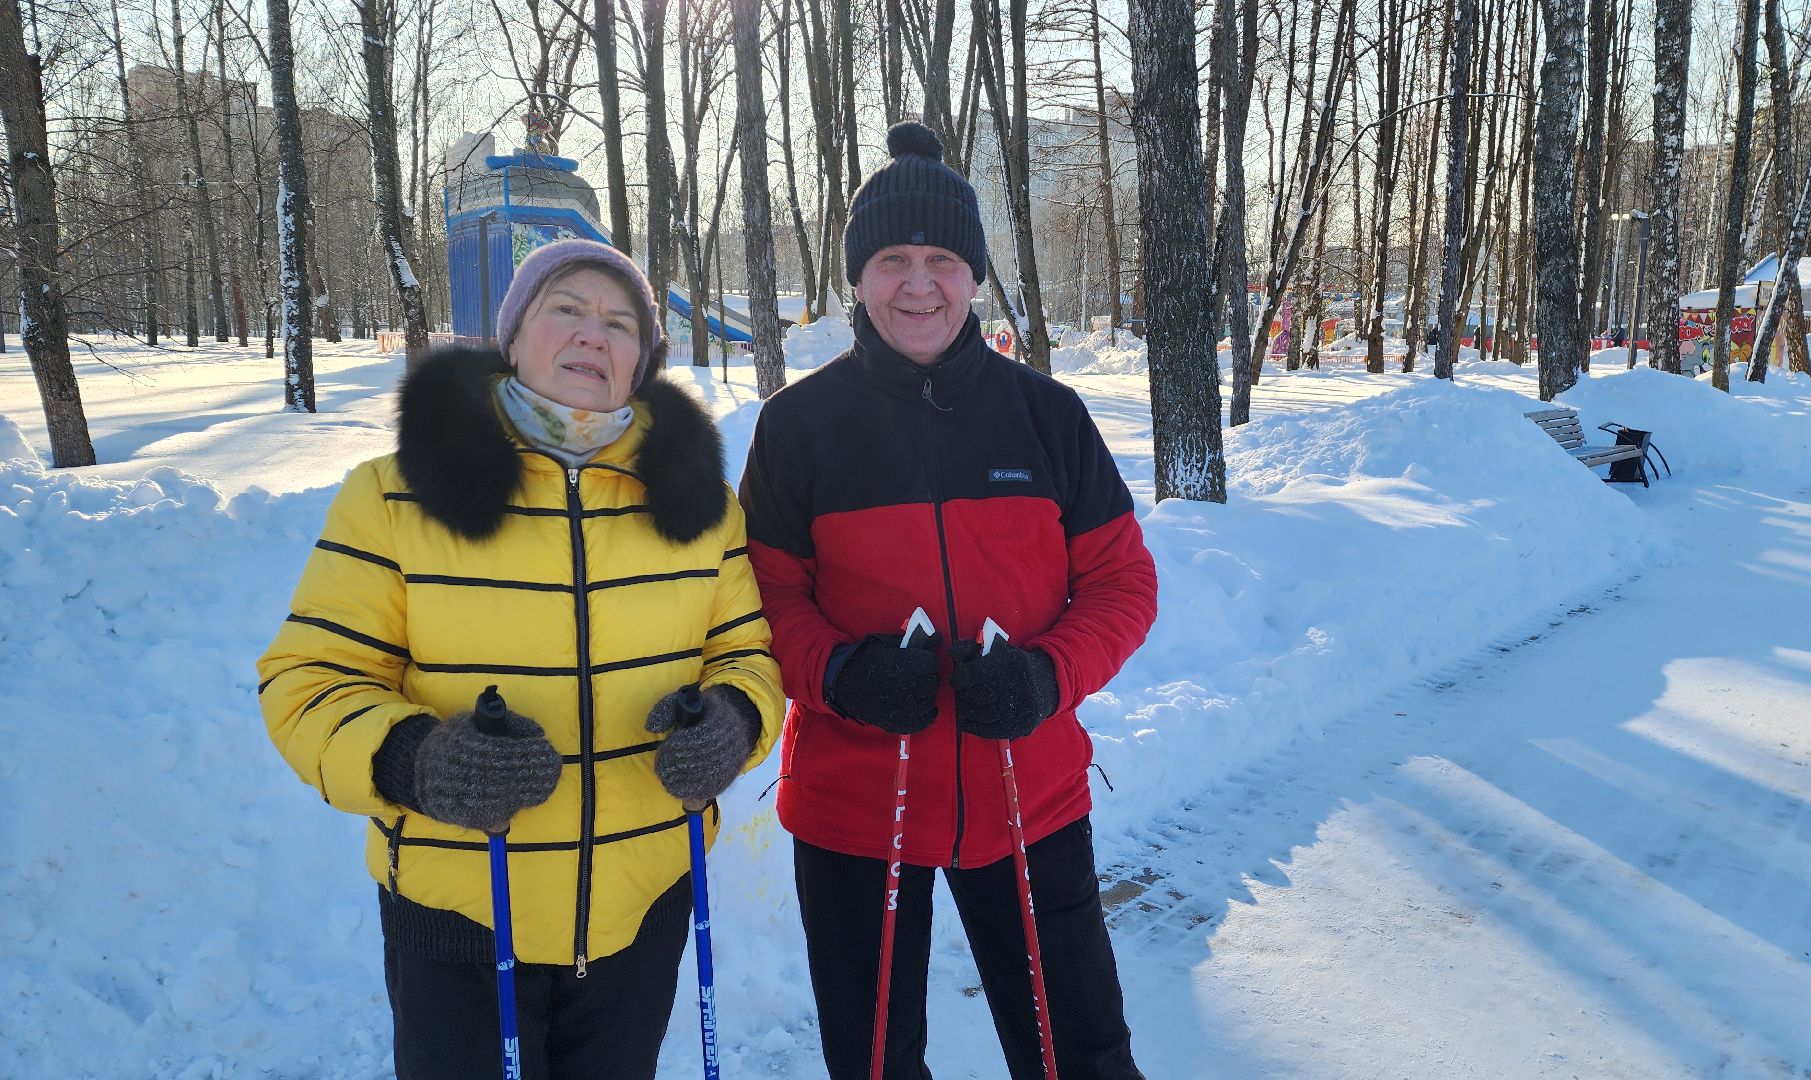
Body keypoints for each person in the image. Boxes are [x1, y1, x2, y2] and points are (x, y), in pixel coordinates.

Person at [258, 238, 782, 1079]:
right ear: (514, 338)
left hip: (642, 905)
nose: (592, 334)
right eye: (565, 309)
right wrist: (416, 759)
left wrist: (732, 721)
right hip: (461, 912)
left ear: (642, 360)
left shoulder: (701, 507)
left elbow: (747, 655)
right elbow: (309, 681)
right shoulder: (396, 495)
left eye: (619, 323)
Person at [738, 121, 1158, 1080]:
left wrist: (1047, 679)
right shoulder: (798, 428)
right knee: (877, 1063)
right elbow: (761, 601)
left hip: (1031, 794)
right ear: (857, 277)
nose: (917, 283)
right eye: (891, 259)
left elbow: (1123, 584)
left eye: (940, 259)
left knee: (1082, 1056)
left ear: (974, 275)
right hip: (854, 808)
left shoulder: (1047, 415)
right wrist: (841, 674)